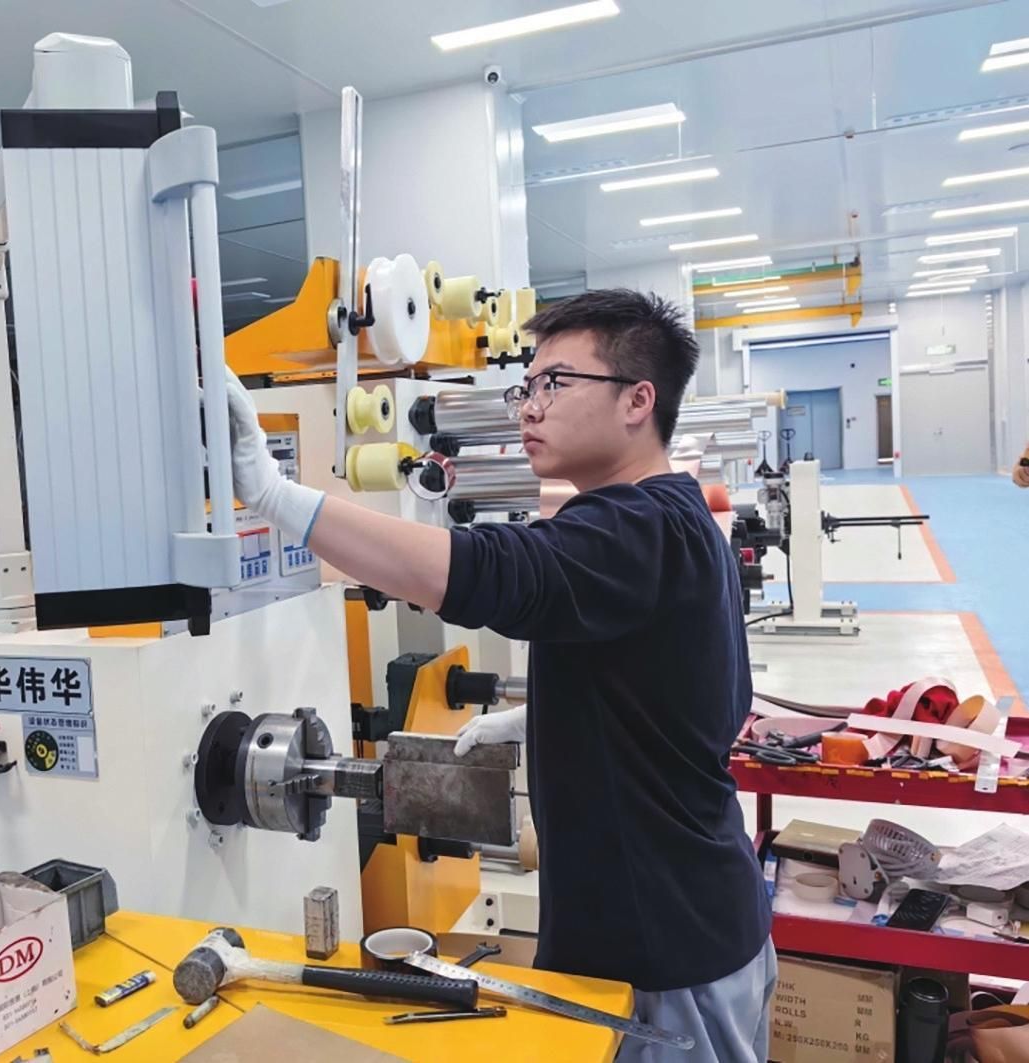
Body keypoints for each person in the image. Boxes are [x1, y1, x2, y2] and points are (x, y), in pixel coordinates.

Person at [221, 289, 774, 1062]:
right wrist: (544, 715)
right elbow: (690, 690)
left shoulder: (635, 526)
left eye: (556, 382)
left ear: (637, 400)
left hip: (661, 953)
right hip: (693, 915)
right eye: (527, 386)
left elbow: (485, 573)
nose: (530, 406)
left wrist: (275, 496)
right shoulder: (675, 516)